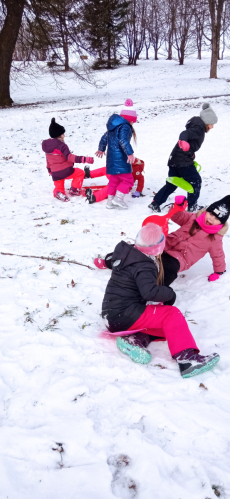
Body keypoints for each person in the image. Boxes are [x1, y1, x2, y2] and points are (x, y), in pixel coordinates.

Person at [101, 223, 220, 378]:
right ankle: (188, 360)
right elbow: (149, 292)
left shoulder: (129, 254)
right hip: (124, 314)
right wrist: (169, 294)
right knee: (172, 315)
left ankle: (134, 340)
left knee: (172, 329)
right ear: (158, 248)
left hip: (112, 315)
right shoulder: (144, 265)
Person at [95, 195, 229, 284]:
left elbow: (218, 256)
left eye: (216, 218)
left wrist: (219, 271)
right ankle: (113, 262)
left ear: (221, 223)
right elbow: (176, 216)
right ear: (206, 211)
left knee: (166, 269)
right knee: (138, 249)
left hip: (180, 258)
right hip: (164, 245)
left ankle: (152, 288)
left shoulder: (215, 238)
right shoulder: (193, 218)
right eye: (211, 214)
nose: (211, 219)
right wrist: (177, 206)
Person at [149, 102, 218, 213]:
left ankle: (155, 203)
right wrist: (183, 141)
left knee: (172, 183)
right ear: (207, 121)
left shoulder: (196, 125)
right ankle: (192, 206)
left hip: (174, 159)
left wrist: (190, 152)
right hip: (182, 163)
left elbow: (189, 139)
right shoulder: (199, 128)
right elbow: (185, 133)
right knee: (196, 181)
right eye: (212, 123)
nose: (212, 126)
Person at [95, 99, 137, 209]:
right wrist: (130, 153)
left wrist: (101, 149)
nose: (133, 123)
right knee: (128, 180)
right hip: (121, 157)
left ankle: (110, 201)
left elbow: (105, 137)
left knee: (114, 180)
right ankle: (118, 199)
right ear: (130, 119)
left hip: (111, 158)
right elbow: (123, 140)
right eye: (133, 121)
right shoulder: (125, 126)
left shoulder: (114, 126)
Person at [42, 118, 94, 202]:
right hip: (66, 171)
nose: (64, 135)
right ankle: (74, 189)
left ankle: (58, 192)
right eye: (63, 134)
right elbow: (69, 157)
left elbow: (48, 161)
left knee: (59, 186)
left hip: (55, 173)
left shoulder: (47, 148)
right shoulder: (62, 145)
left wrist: (50, 170)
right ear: (58, 135)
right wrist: (84, 159)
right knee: (80, 173)